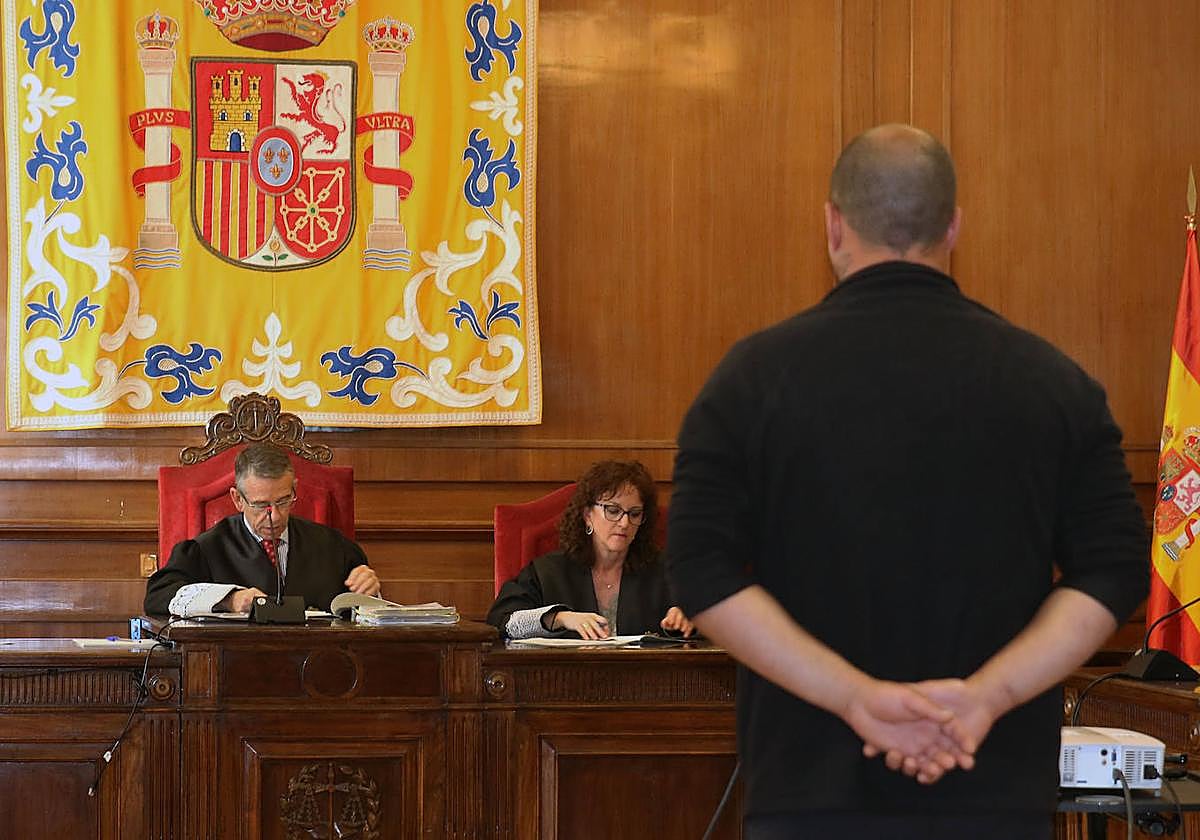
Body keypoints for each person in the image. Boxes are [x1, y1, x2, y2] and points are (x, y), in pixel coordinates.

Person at [666, 124, 1148, 839]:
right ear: (953, 226)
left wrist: (858, 699)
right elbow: (1115, 569)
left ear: (833, 224)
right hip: (994, 788)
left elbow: (699, 572)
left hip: (809, 793)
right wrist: (984, 699)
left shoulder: (750, 379)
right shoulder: (1055, 384)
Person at [145, 443, 380, 616]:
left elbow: (363, 612)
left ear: (294, 489)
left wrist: (369, 592)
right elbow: (158, 597)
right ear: (237, 499)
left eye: (283, 500)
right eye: (260, 505)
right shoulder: (206, 549)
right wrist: (230, 599)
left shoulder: (332, 546)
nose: (274, 516)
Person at [487, 460, 694, 640]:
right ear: (587, 515)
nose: (624, 523)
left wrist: (687, 618)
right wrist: (560, 618)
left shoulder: (664, 570)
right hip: (563, 680)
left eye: (634, 513)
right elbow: (503, 621)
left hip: (649, 681)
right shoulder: (548, 571)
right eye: (613, 510)